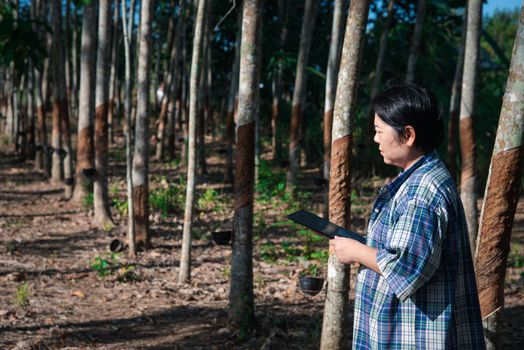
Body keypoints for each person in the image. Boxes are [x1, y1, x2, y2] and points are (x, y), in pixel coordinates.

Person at [331, 84, 485, 349]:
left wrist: (355, 251)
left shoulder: (421, 192)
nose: (375, 139)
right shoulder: (416, 178)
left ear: (409, 135)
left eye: (380, 131)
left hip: (415, 335)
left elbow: (406, 267)